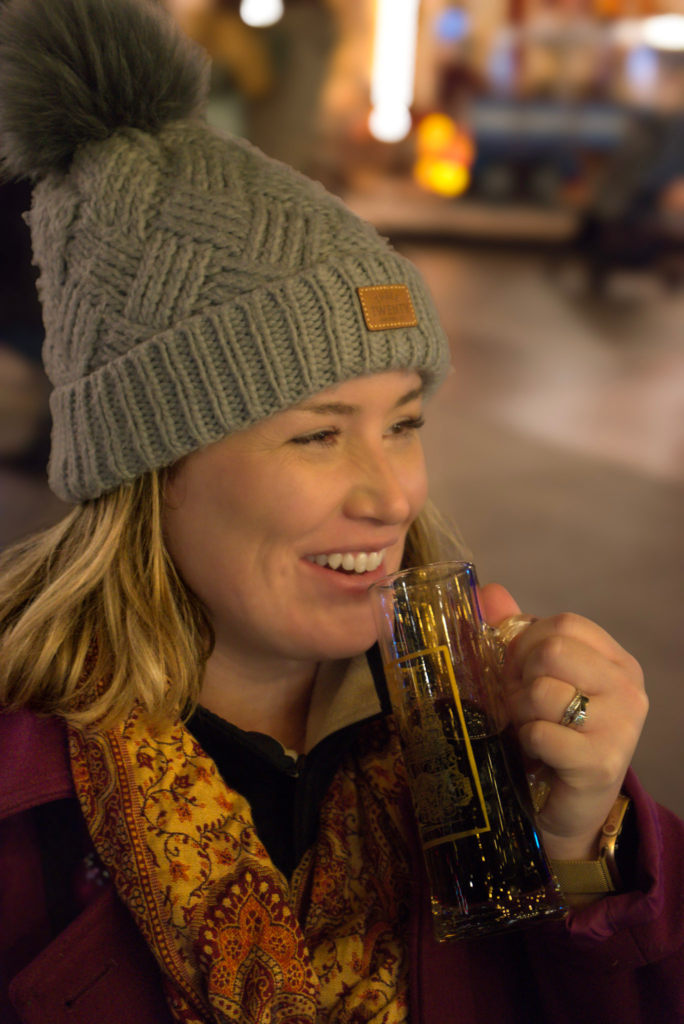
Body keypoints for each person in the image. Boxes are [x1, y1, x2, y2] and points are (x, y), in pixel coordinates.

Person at [0, 1, 681, 1022]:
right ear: (150, 468)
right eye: (318, 434)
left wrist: (584, 849)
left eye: (402, 423)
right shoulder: (24, 805)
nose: (394, 494)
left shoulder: (482, 727)